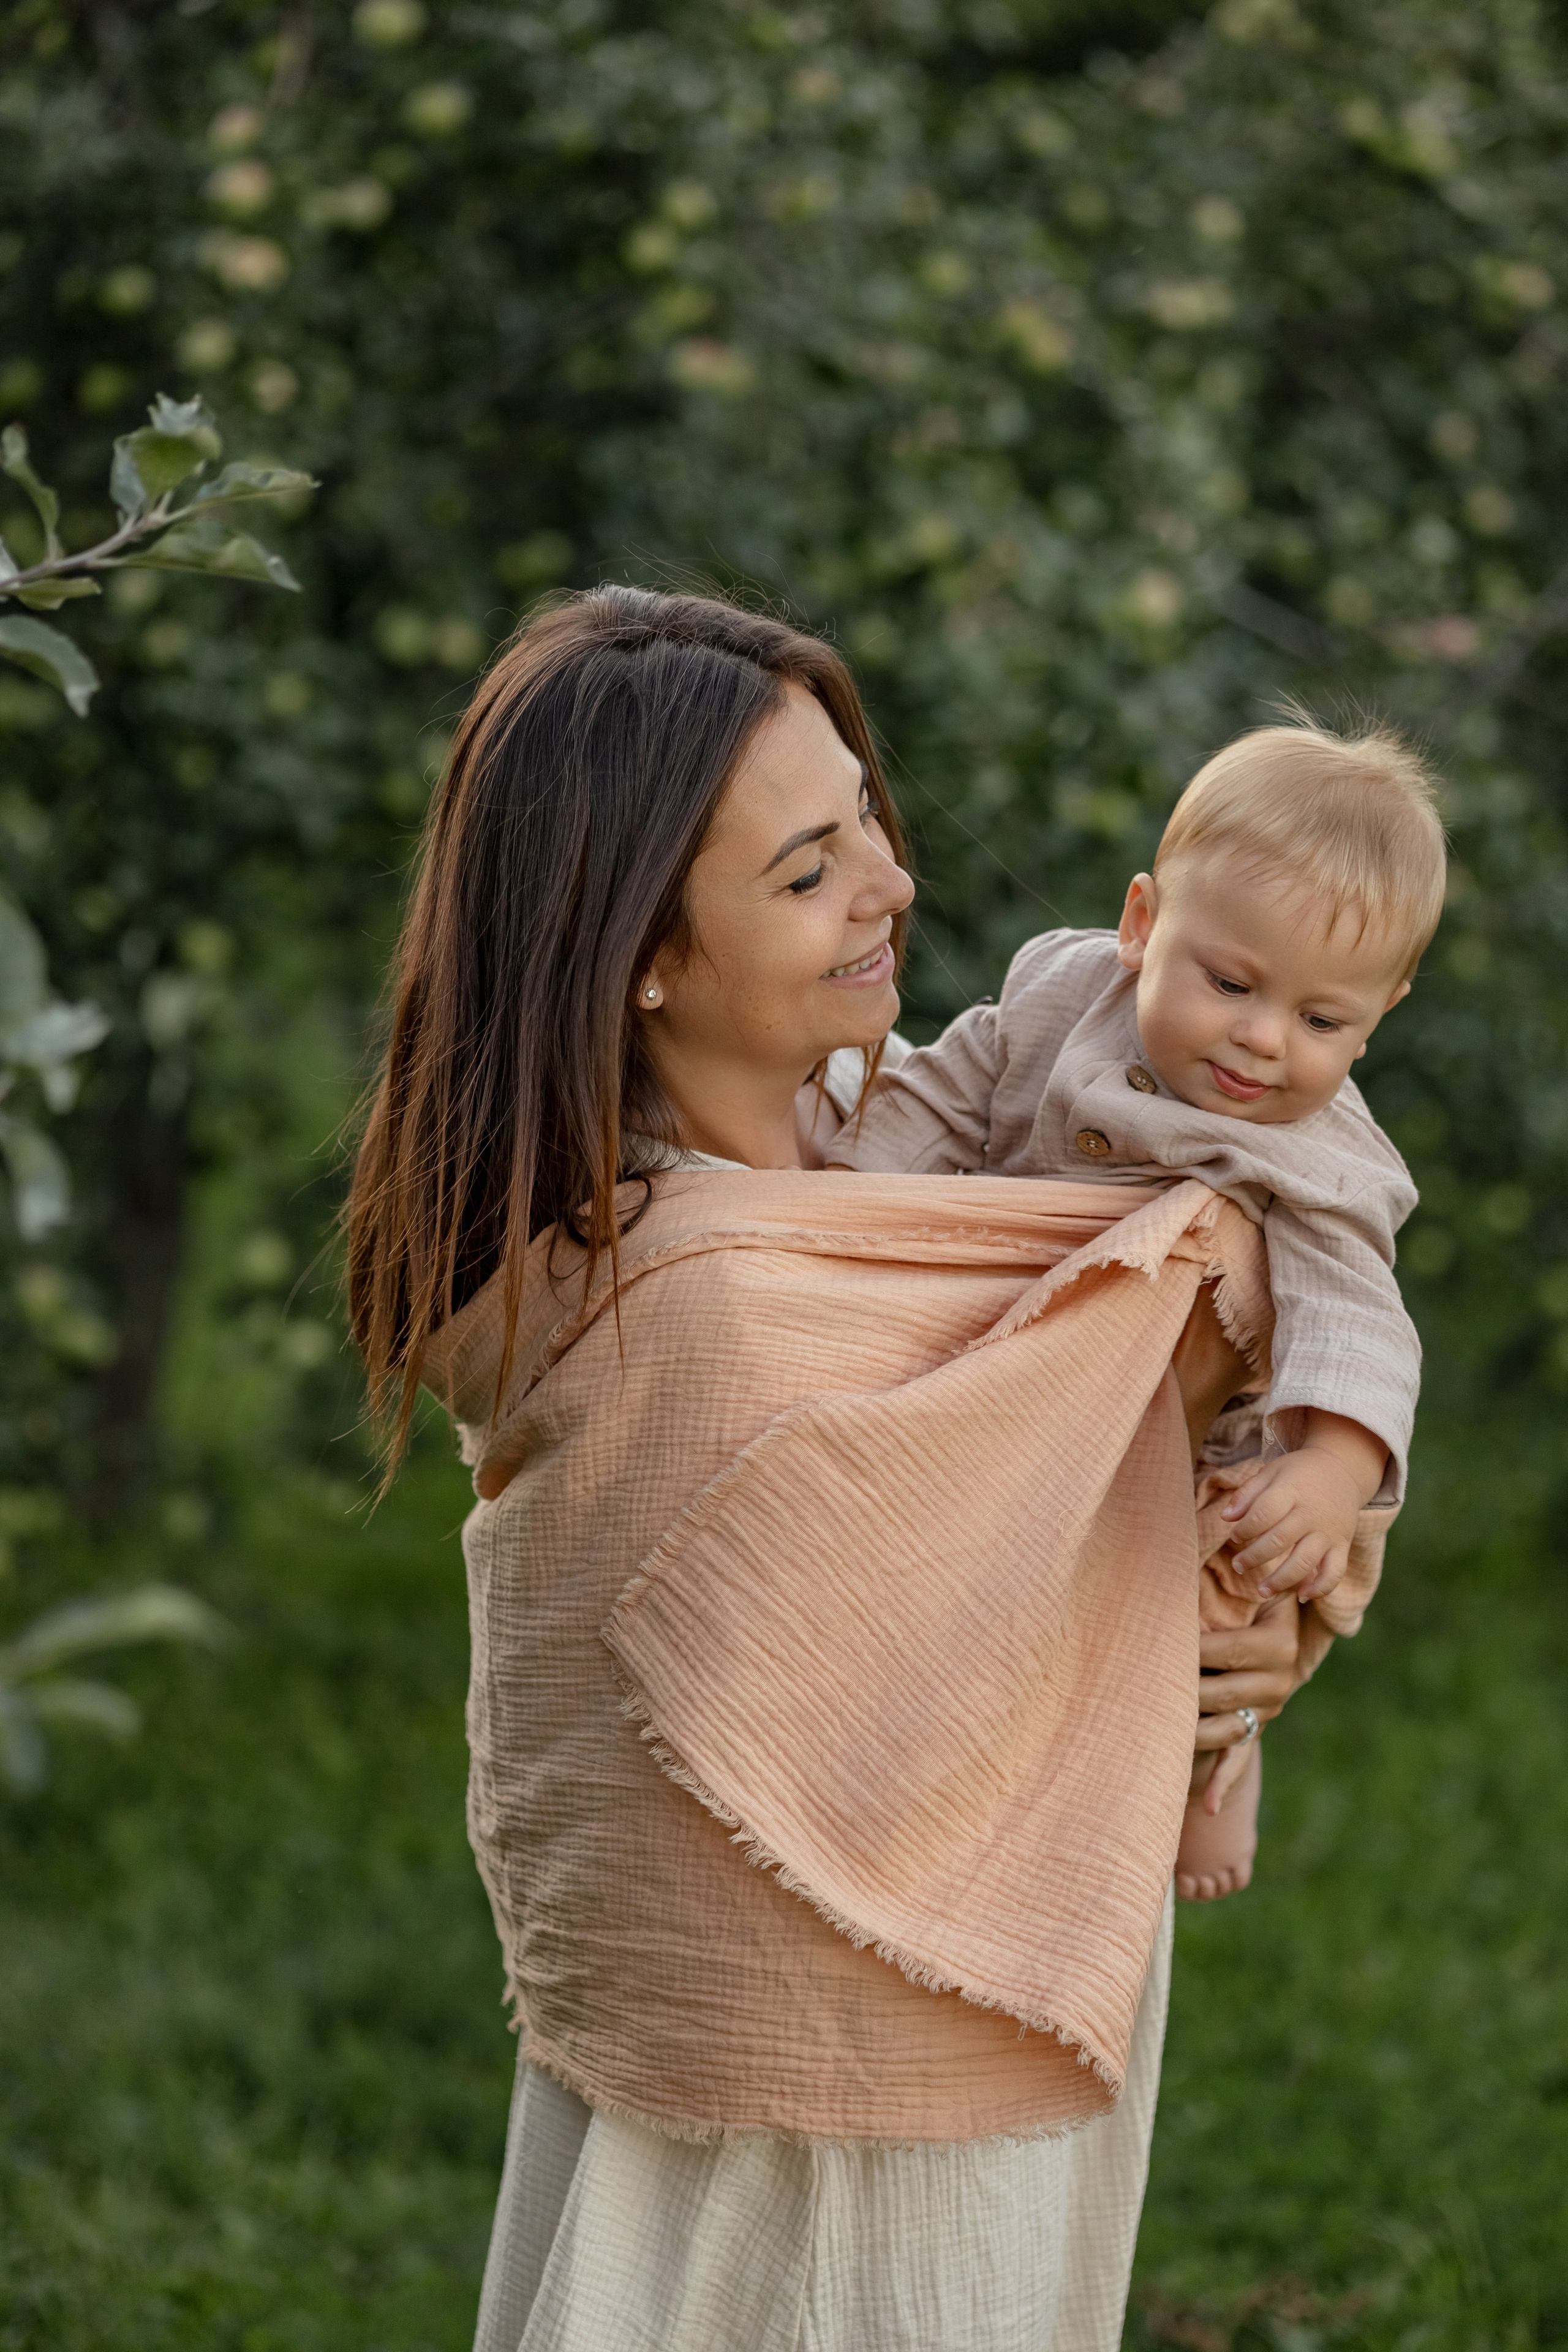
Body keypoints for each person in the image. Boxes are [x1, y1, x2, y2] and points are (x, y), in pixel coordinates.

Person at [347, 586, 1310, 2352]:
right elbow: (1024, 1542)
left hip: (960, 1988)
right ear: (640, 953)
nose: (893, 883)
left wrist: (1232, 1591)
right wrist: (1195, 1582)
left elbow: (1133, 1440)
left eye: (864, 816)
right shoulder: (690, 1300)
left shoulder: (905, 1155)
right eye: (808, 871)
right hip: (832, 2060)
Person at [830, 717, 1445, 1901]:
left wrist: (1332, 1465)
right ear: (1142, 923)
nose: (1263, 1040)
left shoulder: (1322, 1155)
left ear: (1381, 1015)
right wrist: (860, 1192)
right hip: (1030, 1366)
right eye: (1232, 984)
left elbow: (1360, 1318)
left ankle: (1214, 1774)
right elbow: (953, 1092)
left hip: (1213, 1456)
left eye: (1323, 1022)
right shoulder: (1061, 992)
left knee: (1212, 1618)